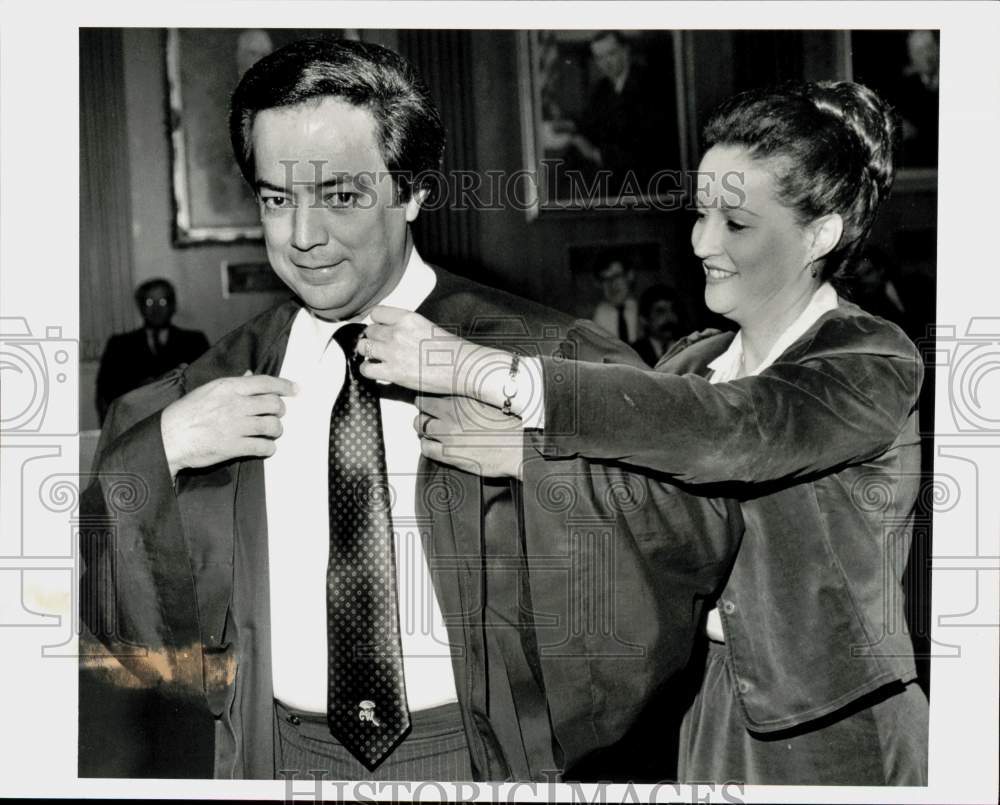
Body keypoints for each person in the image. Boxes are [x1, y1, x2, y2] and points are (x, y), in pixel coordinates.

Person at [80, 37, 738, 783]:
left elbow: (691, 520)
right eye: (276, 198)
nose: (302, 236)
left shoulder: (537, 354)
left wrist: (542, 450)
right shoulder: (226, 375)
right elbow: (123, 598)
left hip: (477, 756)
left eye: (340, 195)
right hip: (282, 755)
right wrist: (162, 447)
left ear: (414, 190)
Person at [359, 80, 928, 785]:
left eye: (736, 223)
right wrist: (530, 458)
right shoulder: (692, 360)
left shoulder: (868, 360)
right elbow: (661, 514)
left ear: (820, 232)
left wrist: (485, 369)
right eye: (699, 213)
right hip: (702, 707)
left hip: (839, 727)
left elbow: (732, 432)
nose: (700, 241)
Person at [95, 278, 209, 425]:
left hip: (183, 424)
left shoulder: (194, 341)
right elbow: (105, 393)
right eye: (149, 302)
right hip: (133, 426)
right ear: (141, 307)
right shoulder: (119, 344)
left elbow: (205, 387)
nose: (156, 309)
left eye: (162, 302)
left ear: (173, 306)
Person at [590, 256, 639, 343]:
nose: (612, 285)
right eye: (605, 279)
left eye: (616, 276)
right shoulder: (597, 316)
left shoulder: (643, 311)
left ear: (630, 275)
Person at [631, 284, 680, 366]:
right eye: (660, 312)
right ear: (644, 319)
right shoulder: (634, 353)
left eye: (673, 309)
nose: (670, 317)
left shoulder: (687, 348)